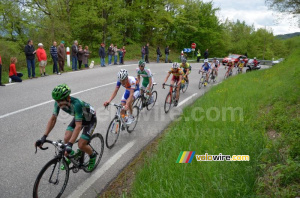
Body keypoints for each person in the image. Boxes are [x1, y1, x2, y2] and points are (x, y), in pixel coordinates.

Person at [35, 84, 98, 171]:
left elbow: (78, 126)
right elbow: (53, 119)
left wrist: (70, 145)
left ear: (68, 98)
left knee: (81, 144)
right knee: (66, 137)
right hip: (79, 117)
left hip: (90, 119)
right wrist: (44, 136)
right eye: (57, 101)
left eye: (60, 101)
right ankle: (71, 156)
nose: (59, 104)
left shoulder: (77, 104)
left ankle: (92, 156)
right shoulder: (58, 103)